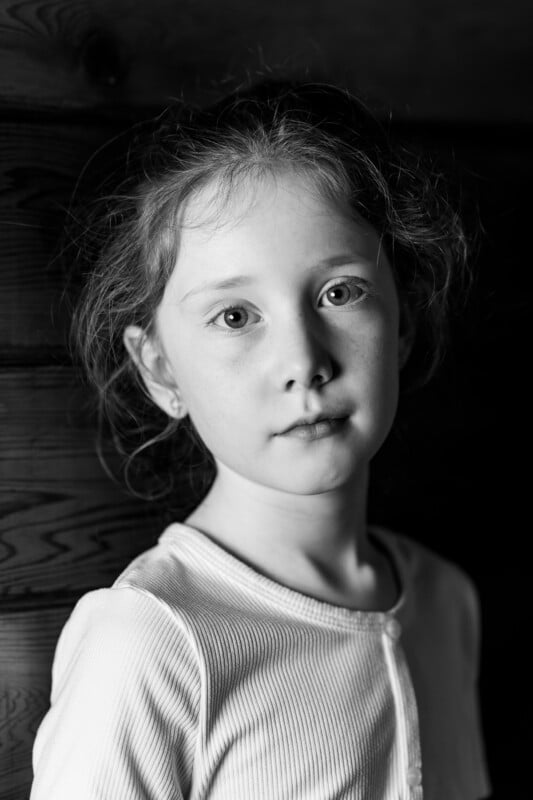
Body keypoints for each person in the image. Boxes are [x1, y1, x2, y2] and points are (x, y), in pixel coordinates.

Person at [30, 80, 491, 799]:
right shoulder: (154, 642)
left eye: (339, 292)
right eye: (235, 316)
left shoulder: (445, 603)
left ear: (401, 317)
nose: (304, 362)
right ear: (159, 367)